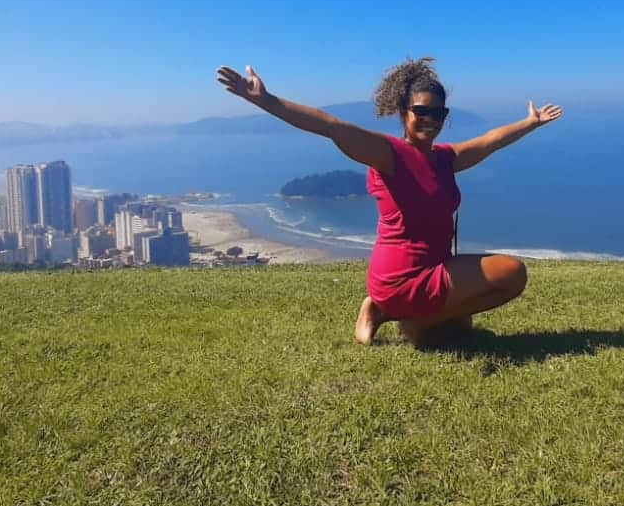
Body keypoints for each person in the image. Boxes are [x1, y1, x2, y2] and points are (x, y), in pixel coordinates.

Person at [214, 57, 563, 346]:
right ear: (402, 111)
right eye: (422, 111)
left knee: (460, 329)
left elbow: (490, 140)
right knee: (513, 273)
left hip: (437, 269)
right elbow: (331, 126)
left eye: (439, 114)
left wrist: (531, 122)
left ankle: (406, 317)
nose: (431, 120)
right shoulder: (389, 154)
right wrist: (266, 101)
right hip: (400, 276)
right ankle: (384, 308)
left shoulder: (446, 158)